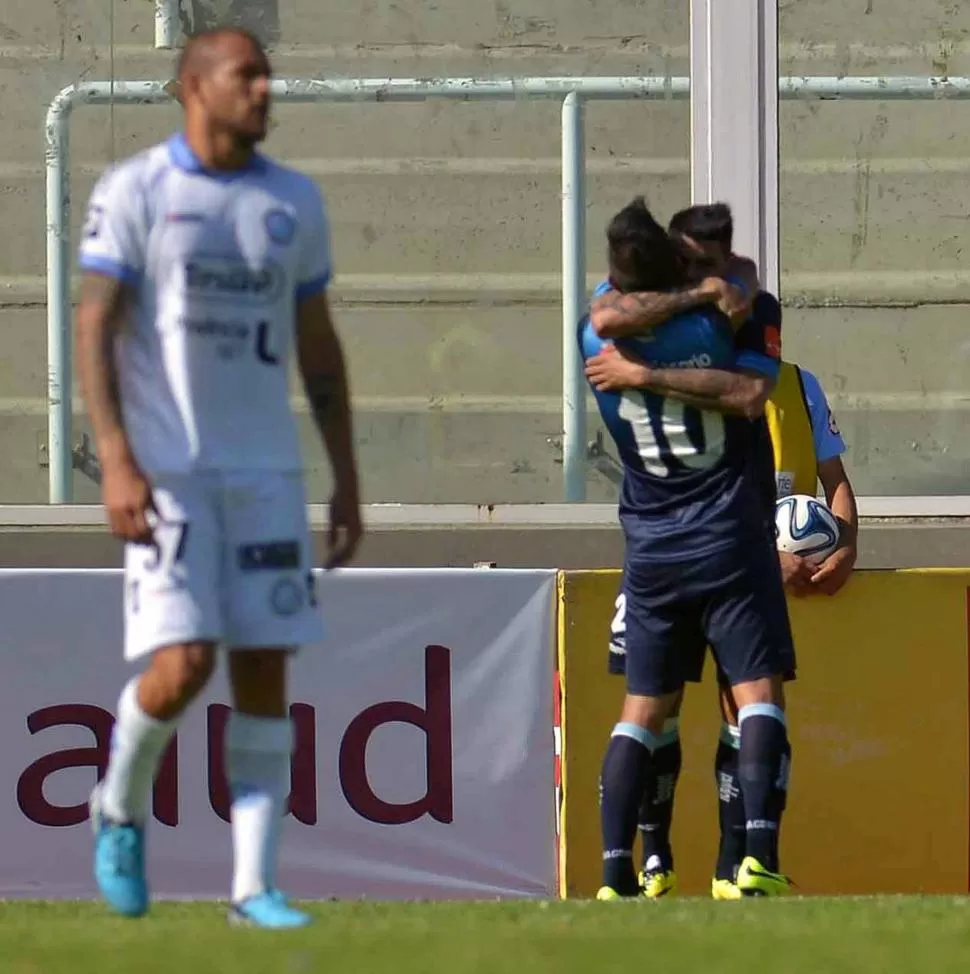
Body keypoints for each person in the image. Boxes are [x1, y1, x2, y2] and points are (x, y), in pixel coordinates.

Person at [75, 27, 362, 928]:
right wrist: (116, 456)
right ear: (195, 87)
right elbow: (93, 327)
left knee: (265, 667)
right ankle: (117, 805)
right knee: (185, 663)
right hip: (171, 474)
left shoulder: (292, 201)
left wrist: (345, 473)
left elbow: (317, 345)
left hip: (267, 473)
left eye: (269, 75)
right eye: (249, 76)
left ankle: (254, 890)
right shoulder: (138, 192)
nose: (266, 90)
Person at [590, 203, 857, 899]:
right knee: (754, 697)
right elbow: (745, 393)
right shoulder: (726, 322)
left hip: (649, 546)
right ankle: (741, 859)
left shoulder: (601, 336)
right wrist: (714, 292)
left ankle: (622, 871)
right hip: (729, 540)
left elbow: (614, 315)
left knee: (643, 708)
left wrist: (643, 368)